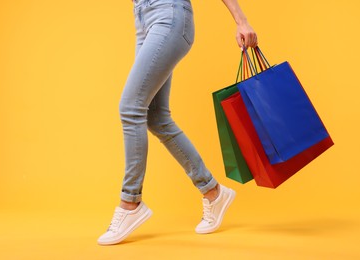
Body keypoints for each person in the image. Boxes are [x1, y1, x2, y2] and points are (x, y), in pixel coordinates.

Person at [97, 0, 257, 245]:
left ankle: (131, 202)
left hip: (168, 14)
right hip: (143, 18)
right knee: (156, 117)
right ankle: (213, 192)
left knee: (131, 108)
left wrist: (241, 20)